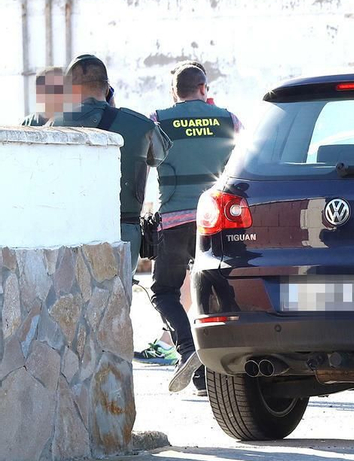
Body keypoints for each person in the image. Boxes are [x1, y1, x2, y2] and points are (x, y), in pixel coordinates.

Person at [150, 62, 240, 393]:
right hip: (217, 218)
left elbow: (147, 163)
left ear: (175, 92)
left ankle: (188, 351)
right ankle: (220, 368)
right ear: (204, 89)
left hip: (174, 219)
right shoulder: (229, 119)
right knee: (220, 288)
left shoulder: (158, 120)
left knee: (164, 291)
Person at [50, 55, 168, 282]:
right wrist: (112, 110)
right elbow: (158, 158)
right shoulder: (142, 125)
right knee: (120, 301)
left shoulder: (54, 126)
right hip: (124, 231)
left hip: (70, 231)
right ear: (107, 88)